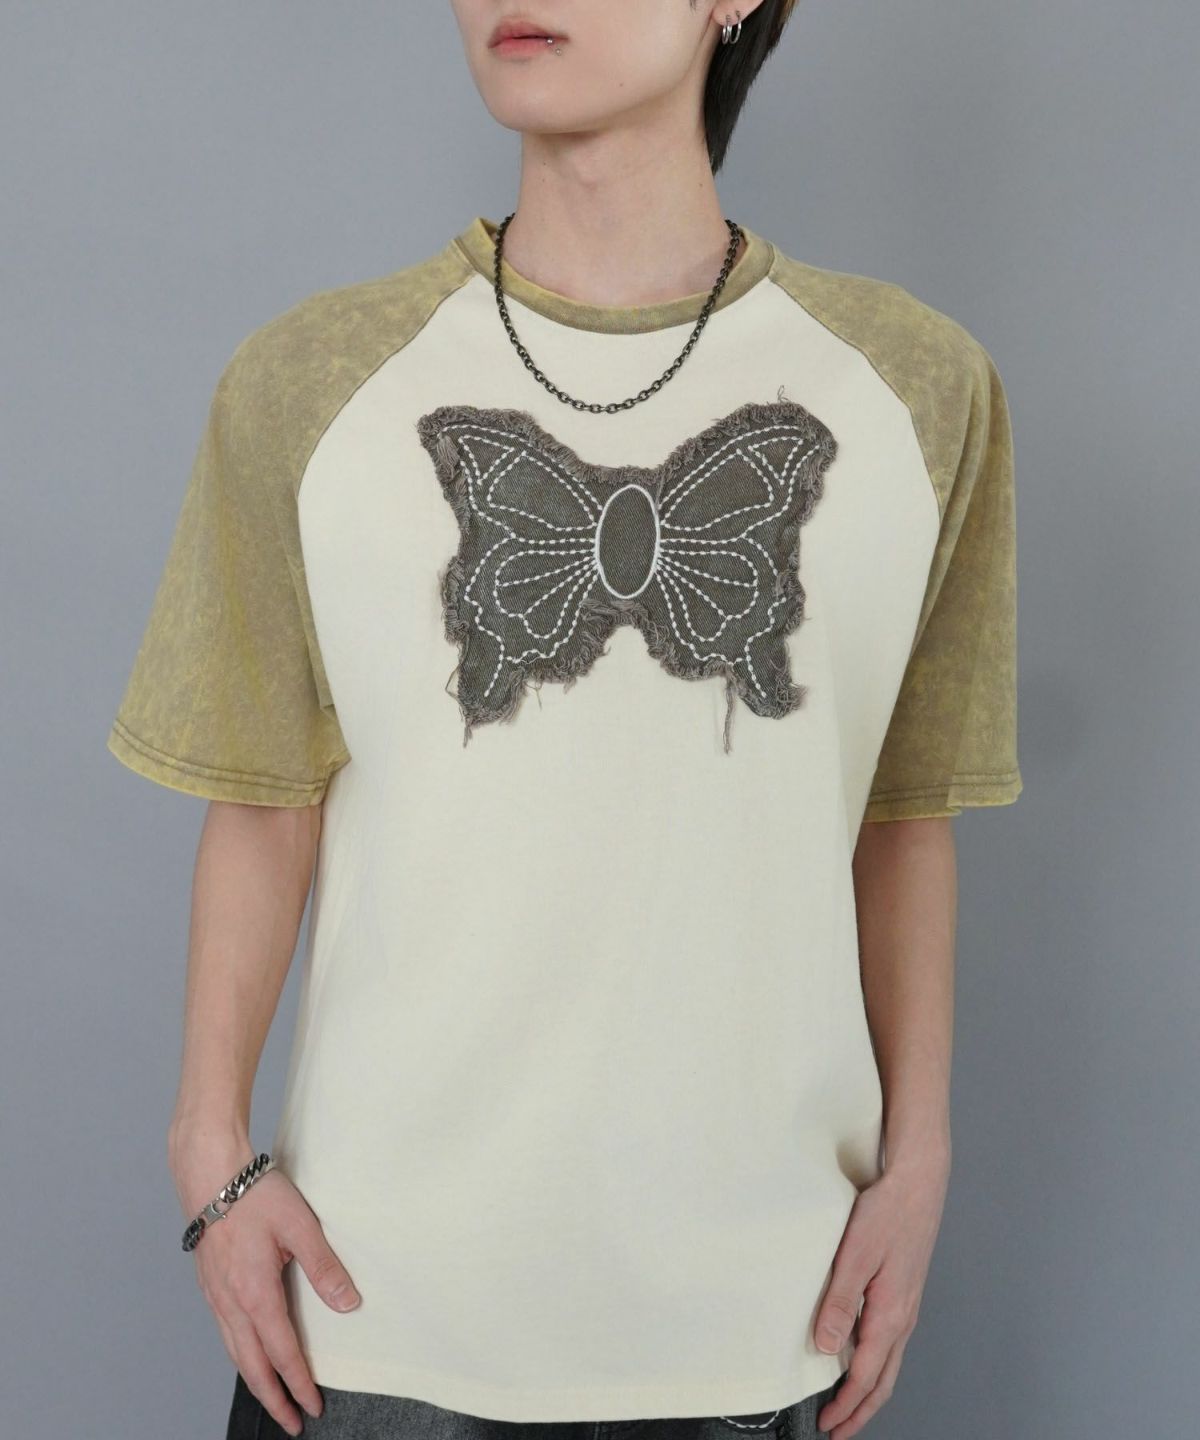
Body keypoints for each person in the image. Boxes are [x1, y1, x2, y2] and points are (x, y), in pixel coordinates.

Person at [105, 2, 1023, 1438]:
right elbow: (262, 803)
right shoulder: (308, 382)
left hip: (760, 1312)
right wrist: (207, 1155)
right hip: (376, 1313)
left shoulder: (918, 388)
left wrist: (920, 1165)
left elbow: (901, 817)